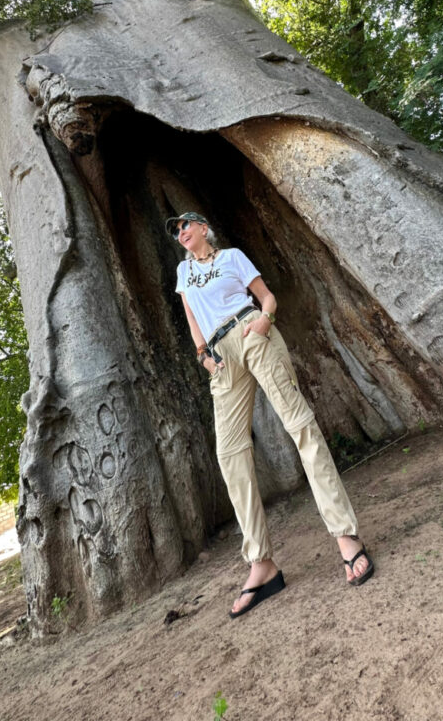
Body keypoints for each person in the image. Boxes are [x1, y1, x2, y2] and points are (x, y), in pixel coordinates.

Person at [167, 210, 374, 619]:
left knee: (301, 428)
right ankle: (262, 564)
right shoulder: (182, 272)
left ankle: (346, 537)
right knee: (230, 456)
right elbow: (191, 317)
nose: (181, 232)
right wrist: (203, 358)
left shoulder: (232, 258)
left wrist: (265, 320)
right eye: (175, 230)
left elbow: (267, 297)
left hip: (252, 333)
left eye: (186, 224)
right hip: (220, 357)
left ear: (205, 226)